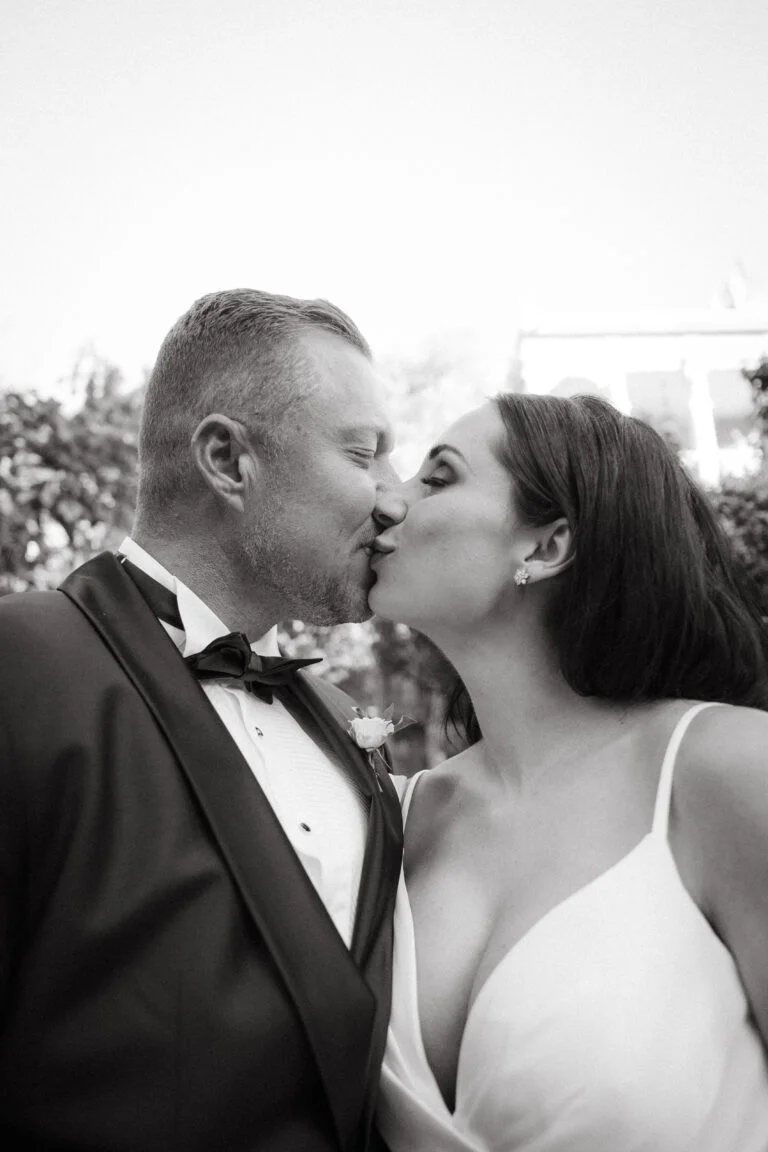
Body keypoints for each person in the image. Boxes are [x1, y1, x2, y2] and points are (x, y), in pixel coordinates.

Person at [0, 289, 407, 1152]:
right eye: (363, 454)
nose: (393, 499)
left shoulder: (337, 719)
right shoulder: (21, 662)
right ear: (228, 458)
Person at [368, 392, 768, 1152]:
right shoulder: (394, 813)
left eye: (438, 477)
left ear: (545, 548)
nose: (390, 502)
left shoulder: (725, 770)